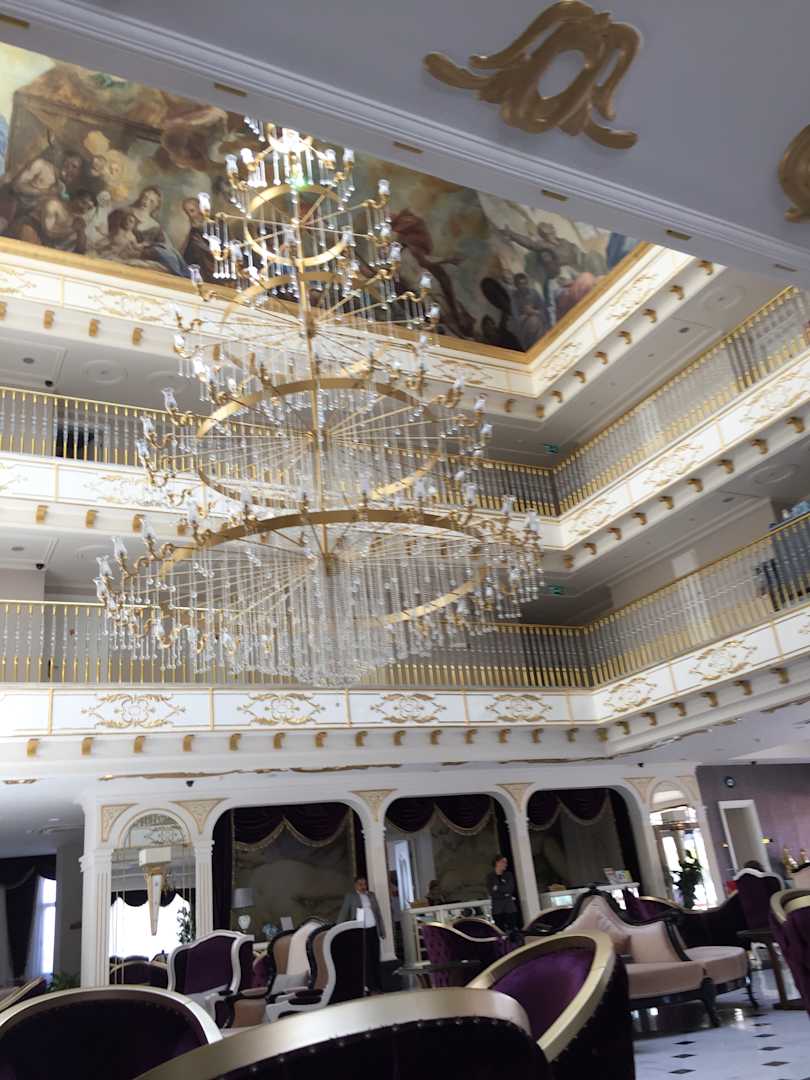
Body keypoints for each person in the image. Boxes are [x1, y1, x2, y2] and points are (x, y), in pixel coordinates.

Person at [338, 875, 385, 993]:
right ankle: (370, 986)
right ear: (355, 885)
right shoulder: (350, 897)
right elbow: (343, 913)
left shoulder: (371, 895)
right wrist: (338, 929)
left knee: (375, 957)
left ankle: (378, 986)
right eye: (360, 884)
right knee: (366, 959)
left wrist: (382, 931)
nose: (363, 886)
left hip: (373, 929)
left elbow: (378, 913)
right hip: (360, 932)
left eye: (364, 884)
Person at [486, 854, 518, 934]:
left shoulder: (508, 875)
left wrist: (497, 888)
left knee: (513, 929)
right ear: (497, 863)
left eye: (506, 862)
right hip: (497, 908)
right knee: (500, 930)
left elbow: (510, 889)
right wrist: (504, 893)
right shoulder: (490, 877)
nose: (506, 864)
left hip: (509, 907)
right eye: (503, 862)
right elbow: (492, 892)